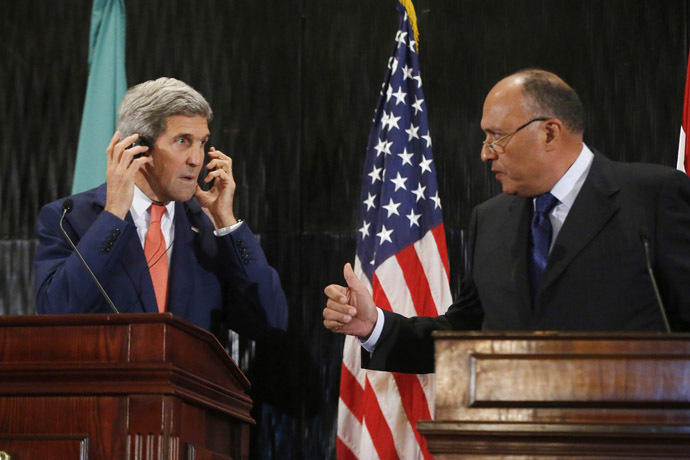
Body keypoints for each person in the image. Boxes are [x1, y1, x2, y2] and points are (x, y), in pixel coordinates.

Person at [323, 69, 690, 374]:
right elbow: (465, 334)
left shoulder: (653, 197)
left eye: (497, 137)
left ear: (549, 132)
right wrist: (375, 327)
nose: (485, 153)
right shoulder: (491, 219)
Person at [35, 77, 288, 342]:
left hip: (188, 383)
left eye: (202, 142)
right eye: (183, 141)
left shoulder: (208, 229)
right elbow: (56, 312)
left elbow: (271, 322)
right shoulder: (70, 219)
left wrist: (227, 223)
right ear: (137, 147)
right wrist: (112, 217)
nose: (196, 159)